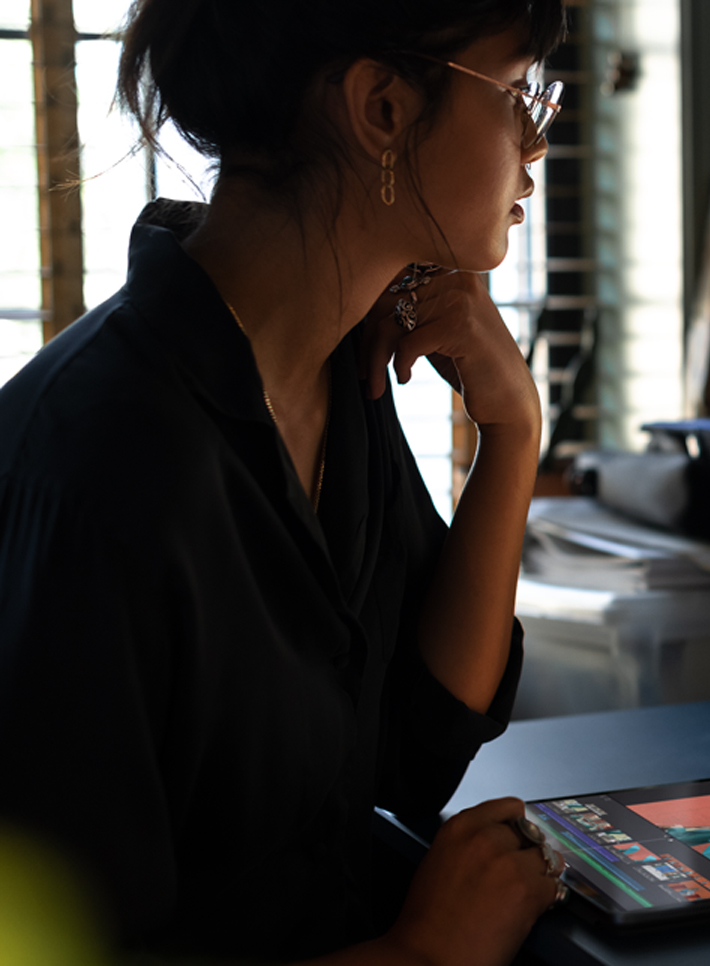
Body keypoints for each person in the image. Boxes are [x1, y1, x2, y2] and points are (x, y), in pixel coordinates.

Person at [0, 1, 571, 962]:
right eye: (515, 94)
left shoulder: (330, 371)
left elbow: (419, 739)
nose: (536, 143)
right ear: (382, 109)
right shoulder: (108, 464)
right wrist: (419, 955)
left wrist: (512, 436)